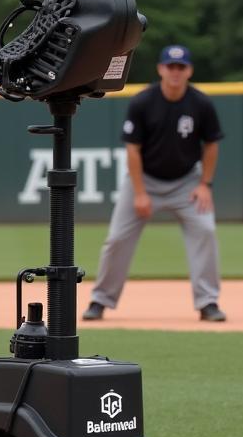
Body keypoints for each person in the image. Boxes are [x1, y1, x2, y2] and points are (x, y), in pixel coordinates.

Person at [82, 44, 227, 323]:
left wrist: (205, 184)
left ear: (189, 71)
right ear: (160, 69)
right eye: (170, 67)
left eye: (180, 67)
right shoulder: (143, 102)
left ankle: (208, 302)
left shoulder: (201, 103)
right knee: (116, 239)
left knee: (205, 230)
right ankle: (100, 300)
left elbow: (211, 144)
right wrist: (139, 192)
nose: (175, 72)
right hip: (145, 179)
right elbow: (132, 150)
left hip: (187, 182)